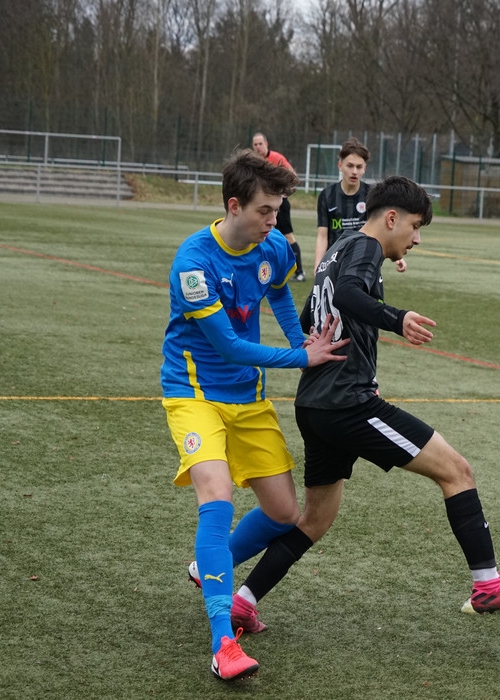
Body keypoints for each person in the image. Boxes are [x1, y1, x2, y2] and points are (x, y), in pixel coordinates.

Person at [227, 175, 500, 622]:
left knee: (315, 520)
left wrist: (342, 355)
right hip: (347, 403)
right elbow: (347, 294)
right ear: (391, 218)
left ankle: (243, 602)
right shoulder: (365, 247)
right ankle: (487, 584)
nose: (416, 239)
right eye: (415, 226)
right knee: (457, 471)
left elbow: (310, 315)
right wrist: (397, 319)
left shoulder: (338, 249)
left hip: (315, 403)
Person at [161, 149, 348, 681]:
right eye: (265, 210)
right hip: (195, 394)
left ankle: (207, 567)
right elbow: (228, 345)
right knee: (217, 499)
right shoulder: (194, 262)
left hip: (249, 399)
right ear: (234, 205)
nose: (274, 221)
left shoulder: (273, 247)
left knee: (284, 513)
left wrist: (300, 340)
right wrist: (302, 359)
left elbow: (279, 294)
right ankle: (223, 642)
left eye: (278, 210)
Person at [314, 137, 406, 273]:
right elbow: (322, 236)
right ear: (340, 166)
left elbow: (384, 227)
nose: (354, 171)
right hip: (335, 262)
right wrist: (318, 265)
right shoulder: (327, 195)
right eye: (350, 166)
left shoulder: (372, 194)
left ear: (364, 168)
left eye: (359, 167)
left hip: (365, 260)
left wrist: (397, 255)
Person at [252, 132, 306, 281]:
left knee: (287, 236)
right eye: (255, 144)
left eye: (260, 144)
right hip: (262, 205)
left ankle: (300, 272)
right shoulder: (254, 162)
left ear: (266, 144)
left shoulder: (276, 158)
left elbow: (293, 177)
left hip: (279, 205)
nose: (258, 147)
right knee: (259, 235)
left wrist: (282, 194)